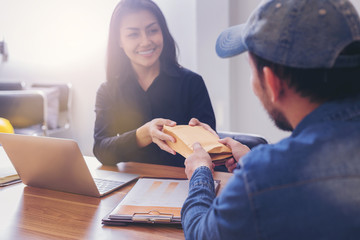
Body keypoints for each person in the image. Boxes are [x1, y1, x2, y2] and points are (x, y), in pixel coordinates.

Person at [181, 0, 360, 239]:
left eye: (251, 70)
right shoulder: (265, 172)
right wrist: (253, 160)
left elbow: (202, 234)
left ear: (273, 83)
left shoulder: (262, 179)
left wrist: (200, 173)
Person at [93, 0, 216, 167]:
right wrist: (142, 134)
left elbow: (210, 150)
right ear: (119, 41)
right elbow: (101, 150)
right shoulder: (108, 91)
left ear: (163, 32)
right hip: (132, 186)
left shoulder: (192, 83)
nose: (146, 41)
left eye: (152, 30)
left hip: (186, 183)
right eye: (133, 34)